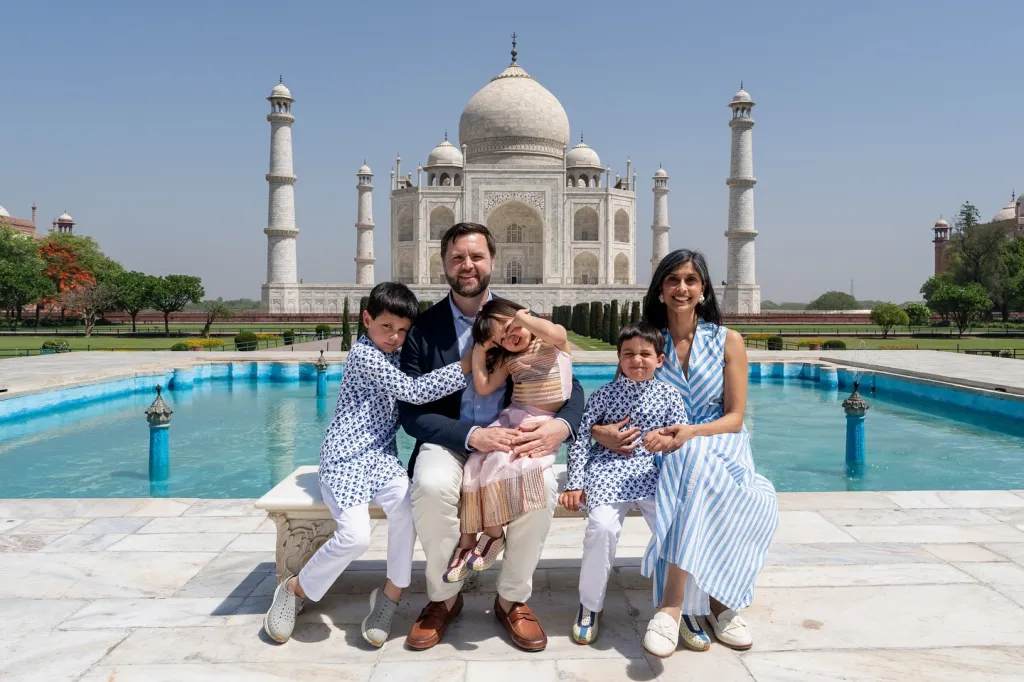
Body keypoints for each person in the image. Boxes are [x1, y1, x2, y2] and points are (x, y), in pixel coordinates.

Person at [398, 222, 585, 652]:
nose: (468, 265)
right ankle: (444, 601)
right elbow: (411, 413)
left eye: (476, 256)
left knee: (541, 487)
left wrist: (562, 426)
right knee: (429, 486)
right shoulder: (424, 330)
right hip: (451, 439)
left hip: (513, 435)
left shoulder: (516, 317)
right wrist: (473, 436)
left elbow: (567, 382)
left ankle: (512, 599)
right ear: (443, 263)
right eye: (458, 257)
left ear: (492, 261)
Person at [590, 249, 777, 658]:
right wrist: (600, 430)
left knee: (702, 466)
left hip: (719, 440)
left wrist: (691, 432)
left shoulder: (728, 340)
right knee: (692, 468)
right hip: (659, 448)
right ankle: (717, 602)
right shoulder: (647, 343)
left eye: (690, 280)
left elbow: (734, 416)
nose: (682, 288)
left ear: (704, 289)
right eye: (673, 280)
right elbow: (618, 401)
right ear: (659, 290)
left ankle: (673, 604)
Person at [263, 282, 471, 647]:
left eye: (403, 330)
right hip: (345, 458)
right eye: (386, 327)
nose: (394, 337)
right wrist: (466, 366)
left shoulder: (397, 353)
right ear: (366, 320)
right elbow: (414, 391)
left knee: (407, 509)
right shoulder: (365, 355)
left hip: (380, 458)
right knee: (355, 536)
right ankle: (295, 589)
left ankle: (390, 596)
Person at [559, 323, 691, 647]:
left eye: (645, 354)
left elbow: (683, 438)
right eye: (629, 354)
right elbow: (578, 442)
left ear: (660, 359)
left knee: (679, 527)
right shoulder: (604, 395)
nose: (637, 361)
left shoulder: (670, 396)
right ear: (618, 358)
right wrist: (575, 483)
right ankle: (590, 606)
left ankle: (682, 608)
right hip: (609, 471)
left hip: (654, 473)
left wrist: (666, 441)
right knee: (601, 528)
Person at [443, 299, 573, 584]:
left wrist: (524, 319)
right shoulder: (508, 358)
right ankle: (466, 541)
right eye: (502, 338)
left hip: (538, 424)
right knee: (475, 464)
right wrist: (479, 351)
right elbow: (484, 385)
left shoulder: (551, 342)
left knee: (499, 463)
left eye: (512, 327)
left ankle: (492, 534)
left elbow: (557, 334)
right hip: (514, 416)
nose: (511, 337)